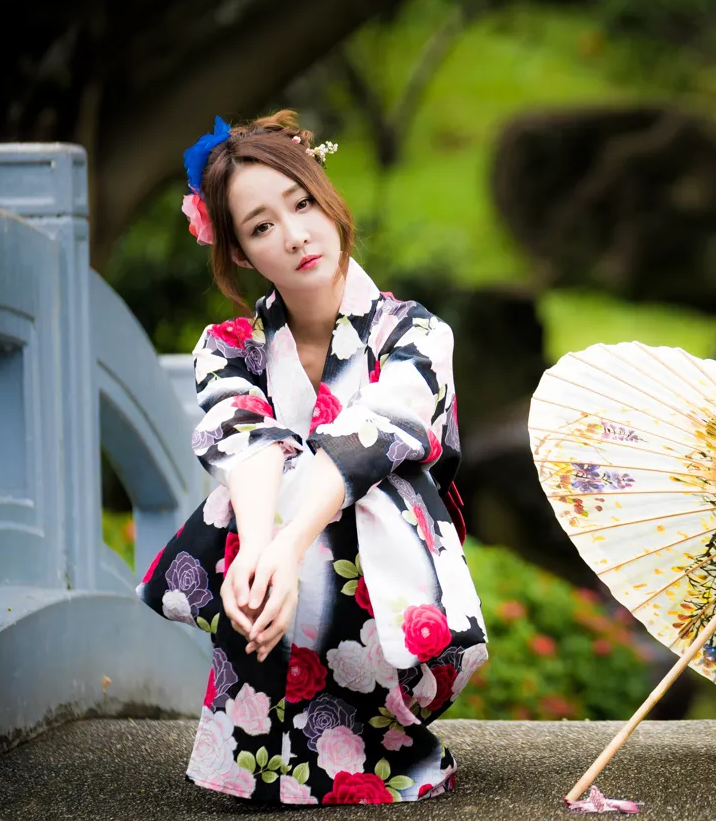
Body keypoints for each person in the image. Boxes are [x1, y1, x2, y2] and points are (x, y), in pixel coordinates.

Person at [137, 110, 488, 806]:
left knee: (354, 481)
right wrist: (263, 549)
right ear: (237, 251)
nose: (295, 235)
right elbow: (243, 439)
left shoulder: (412, 330)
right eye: (262, 226)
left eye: (301, 204)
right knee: (244, 495)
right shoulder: (231, 344)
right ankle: (267, 744)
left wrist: (289, 546)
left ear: (327, 199)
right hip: (271, 573)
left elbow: (376, 435)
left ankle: (384, 738)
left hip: (395, 594)